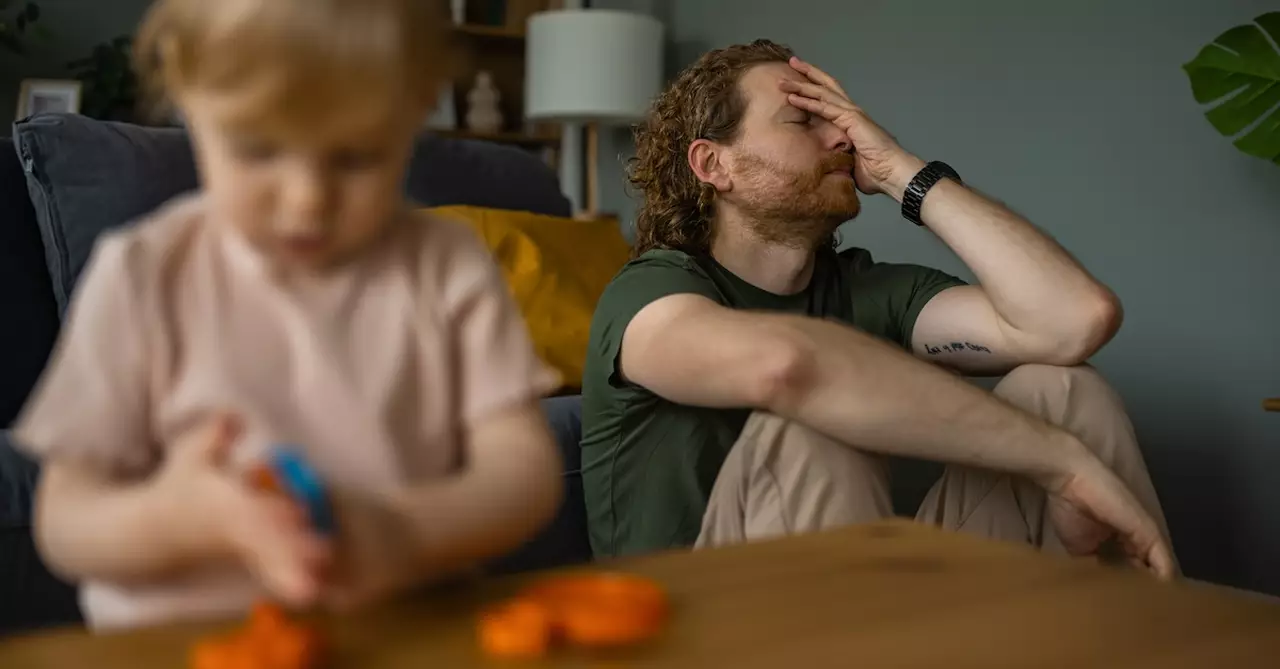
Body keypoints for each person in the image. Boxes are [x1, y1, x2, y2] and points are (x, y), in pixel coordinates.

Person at [12, 0, 563, 631]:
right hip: (181, 645)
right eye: (257, 150)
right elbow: (63, 521)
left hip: (404, 634)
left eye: (355, 157)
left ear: (416, 109)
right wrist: (181, 517)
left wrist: (406, 533)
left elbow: (524, 471)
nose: (306, 201)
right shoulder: (143, 274)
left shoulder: (447, 266)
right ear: (190, 101)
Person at [580, 39, 1177, 578]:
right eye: (803, 121)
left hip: (871, 607)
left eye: (838, 120)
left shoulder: (867, 289)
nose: (842, 137)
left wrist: (901, 173)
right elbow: (789, 368)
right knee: (813, 423)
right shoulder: (650, 293)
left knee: (1065, 391)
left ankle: (1141, 636)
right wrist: (1060, 462)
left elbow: (1076, 320)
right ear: (714, 164)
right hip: (699, 626)